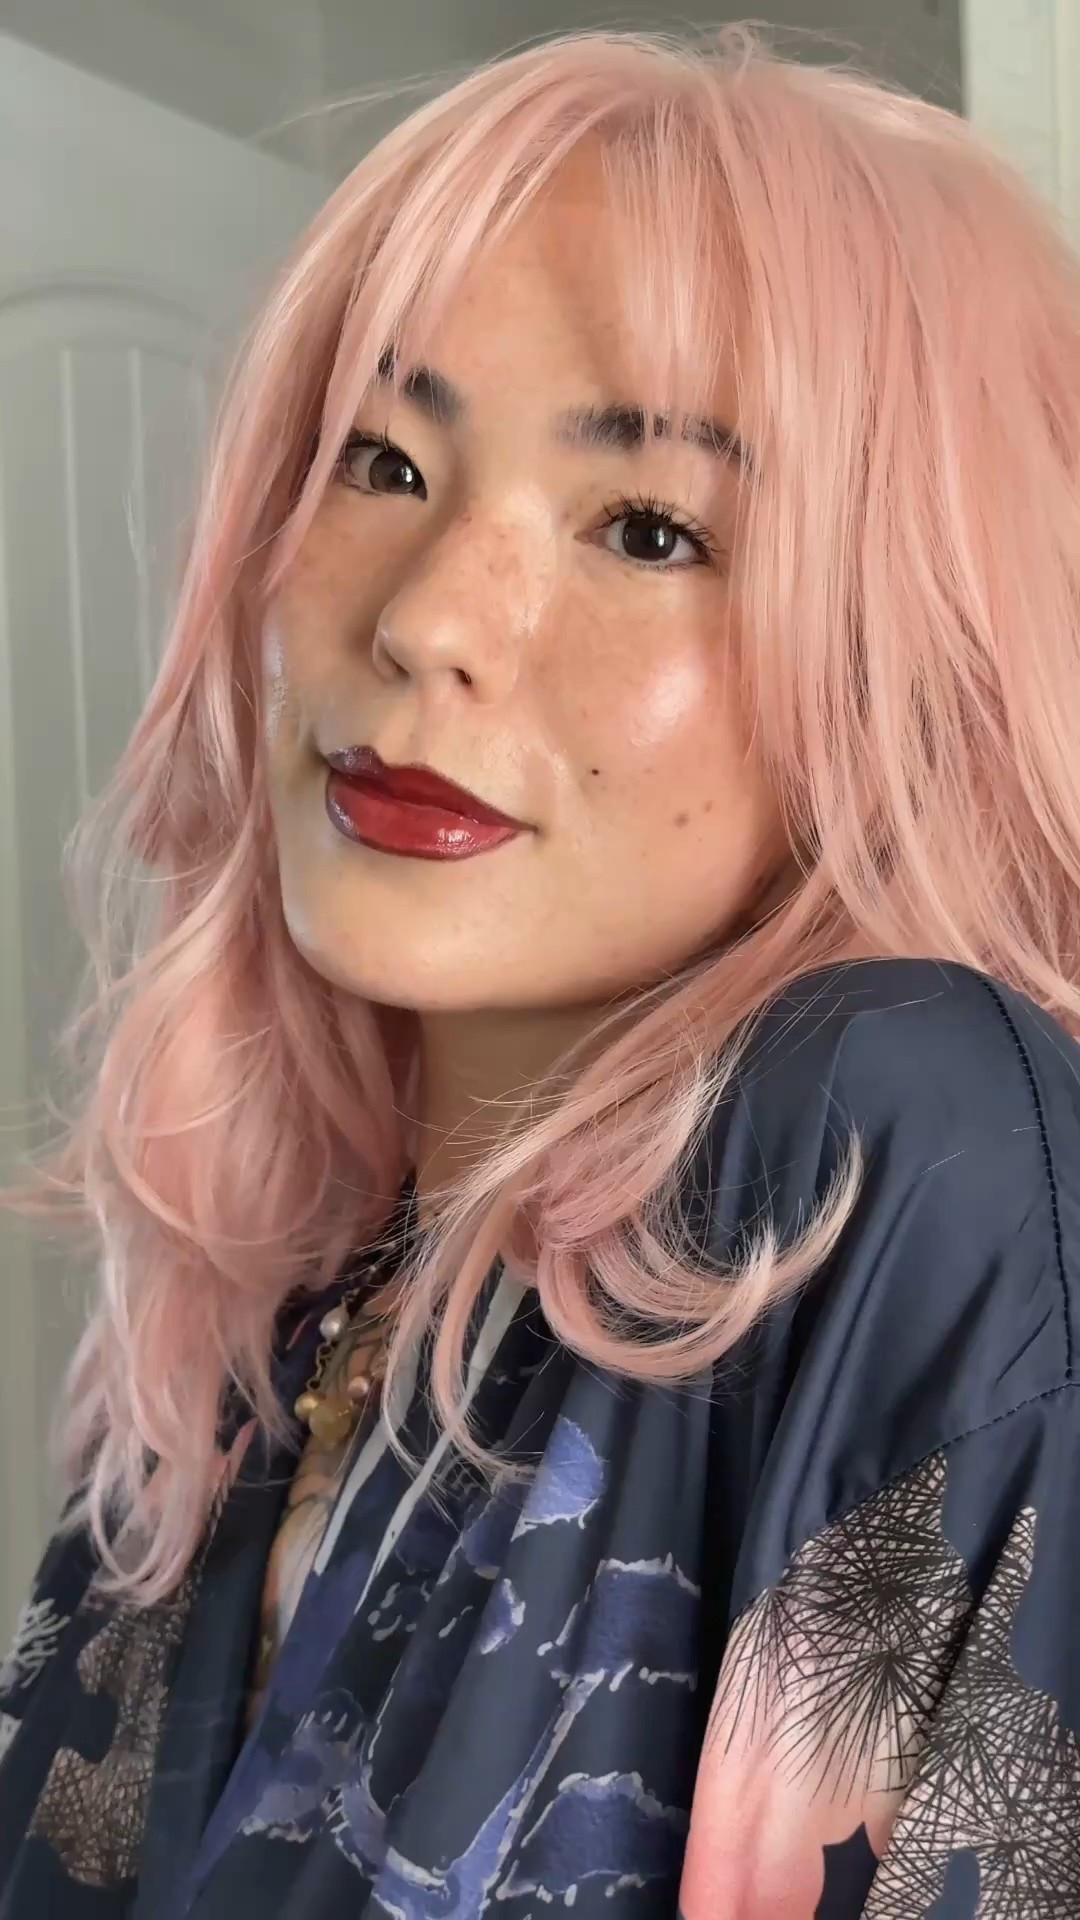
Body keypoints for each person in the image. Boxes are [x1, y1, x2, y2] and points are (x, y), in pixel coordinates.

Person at [2, 21, 1080, 1917]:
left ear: (908, 660)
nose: (429, 622)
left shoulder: (906, 1131)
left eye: (651, 528)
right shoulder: (271, 1327)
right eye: (381, 460)